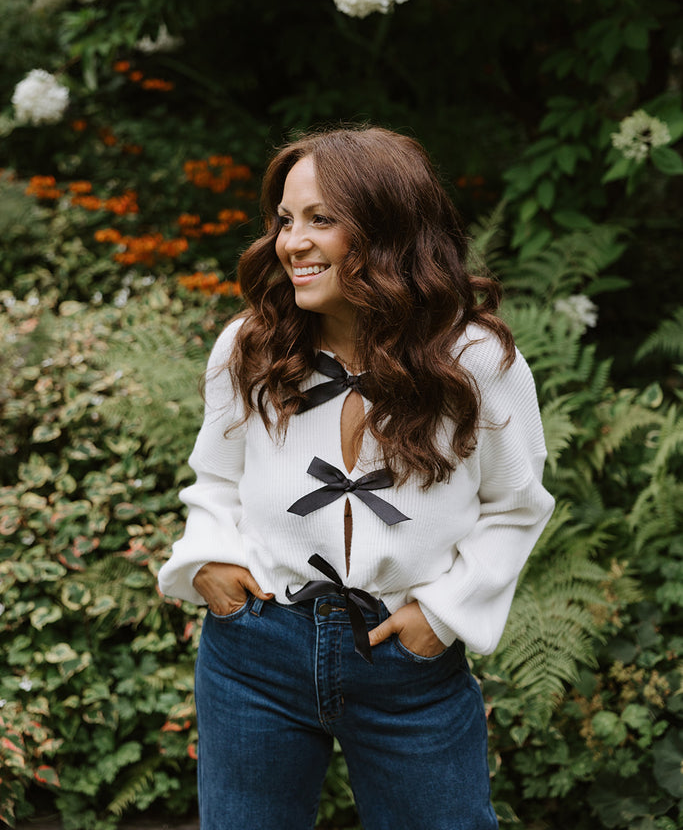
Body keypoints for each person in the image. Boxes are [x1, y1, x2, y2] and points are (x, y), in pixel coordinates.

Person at [158, 126, 554, 830]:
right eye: (284, 220)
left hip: (404, 664)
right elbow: (214, 482)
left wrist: (441, 615)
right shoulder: (251, 346)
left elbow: (516, 507)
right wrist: (210, 563)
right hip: (255, 651)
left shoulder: (476, 360)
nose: (291, 242)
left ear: (388, 230)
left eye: (320, 220)